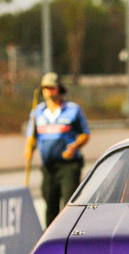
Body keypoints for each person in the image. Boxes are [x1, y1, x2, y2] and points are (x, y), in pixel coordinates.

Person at [25, 72, 90, 226]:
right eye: (45, 88)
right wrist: (29, 148)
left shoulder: (73, 109)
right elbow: (32, 136)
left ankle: (69, 235)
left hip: (68, 166)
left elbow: (85, 134)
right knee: (50, 206)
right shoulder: (37, 112)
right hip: (48, 167)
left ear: (59, 88)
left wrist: (75, 146)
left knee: (69, 206)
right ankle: (51, 237)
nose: (48, 91)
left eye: (52, 87)